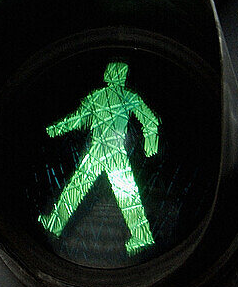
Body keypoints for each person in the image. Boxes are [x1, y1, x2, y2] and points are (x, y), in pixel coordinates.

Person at [40, 60, 159, 255]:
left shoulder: (105, 97)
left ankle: (55, 223)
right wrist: (149, 142)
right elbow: (150, 121)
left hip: (107, 150)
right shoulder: (124, 97)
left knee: (83, 189)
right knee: (122, 194)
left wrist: (57, 128)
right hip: (108, 150)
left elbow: (77, 119)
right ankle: (142, 236)